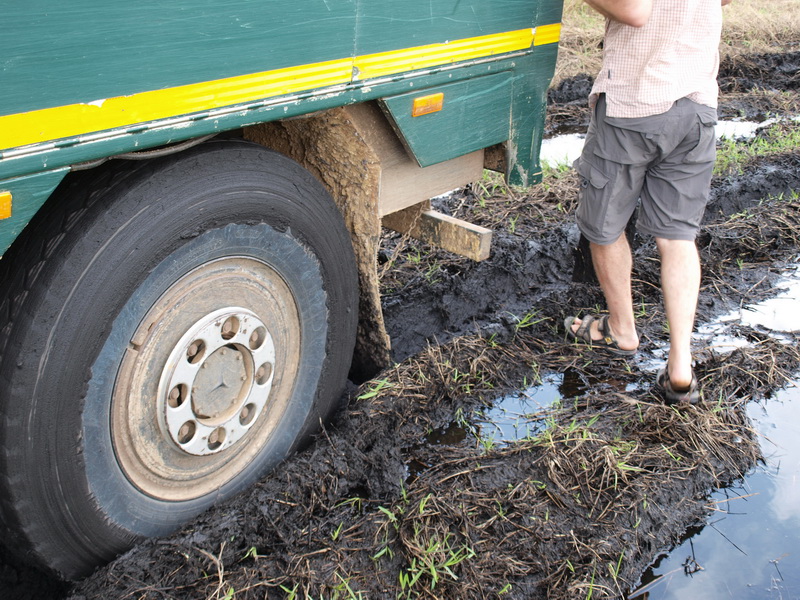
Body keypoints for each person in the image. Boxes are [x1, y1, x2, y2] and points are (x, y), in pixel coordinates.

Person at [565, 0, 733, 404]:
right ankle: (680, 366)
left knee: (604, 227)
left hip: (635, 101)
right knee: (677, 237)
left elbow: (633, 10)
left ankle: (622, 330)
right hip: (696, 104)